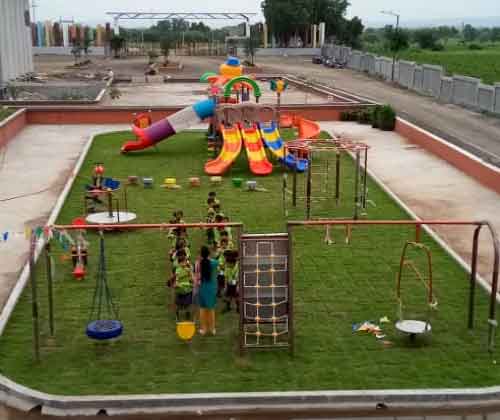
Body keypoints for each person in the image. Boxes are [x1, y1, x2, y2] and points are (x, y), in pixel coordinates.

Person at [198, 245, 219, 336]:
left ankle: (204, 329)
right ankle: (212, 329)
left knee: (203, 308)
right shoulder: (214, 263)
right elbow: (217, 261)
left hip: (203, 287)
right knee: (211, 309)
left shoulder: (200, 263)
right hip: (212, 287)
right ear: (209, 253)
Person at [172, 252, 193, 321]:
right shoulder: (178, 270)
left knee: (187, 304)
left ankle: (187, 314)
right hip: (180, 290)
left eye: (185, 262)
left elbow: (191, 279)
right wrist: (176, 284)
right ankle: (177, 315)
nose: (184, 264)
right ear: (179, 263)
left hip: (188, 290)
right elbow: (177, 278)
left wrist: (190, 273)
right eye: (182, 262)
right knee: (178, 304)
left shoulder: (188, 269)